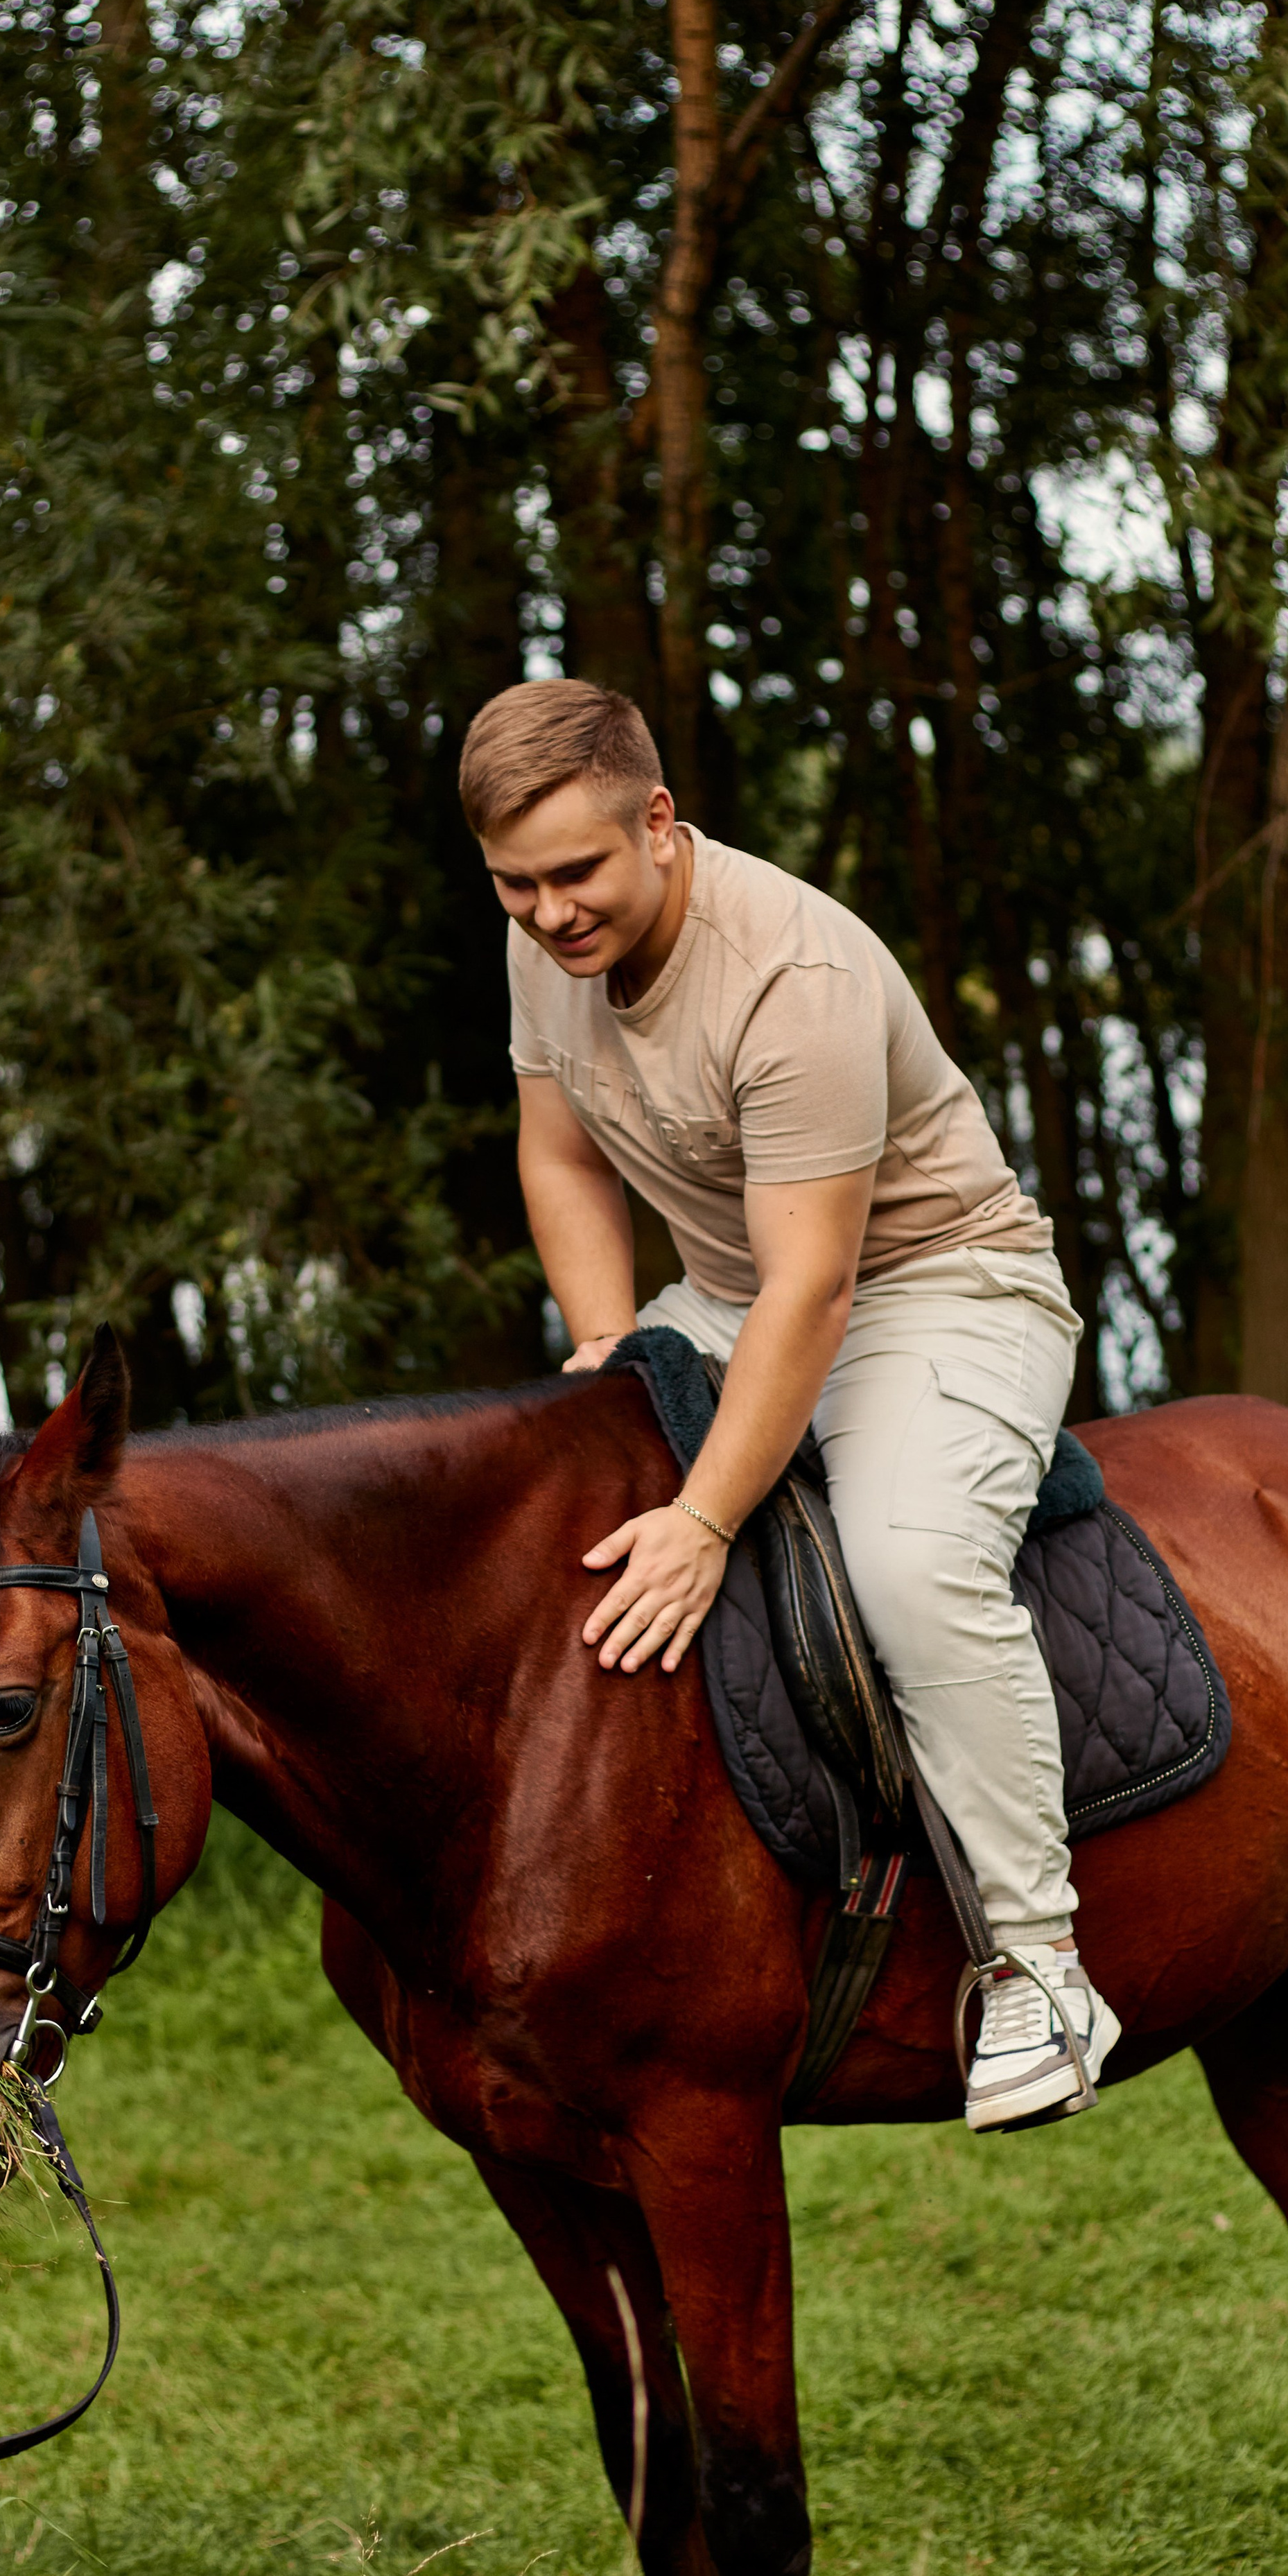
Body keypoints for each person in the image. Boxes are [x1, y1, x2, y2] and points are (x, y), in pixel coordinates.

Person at [461, 679, 1120, 2130]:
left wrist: (704, 1521)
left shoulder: (791, 978)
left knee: (910, 1565)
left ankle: (1040, 1965)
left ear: (657, 820)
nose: (550, 913)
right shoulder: (542, 946)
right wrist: (604, 1345)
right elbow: (560, 1158)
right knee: (549, 1474)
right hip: (726, 1290)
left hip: (938, 1287)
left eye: (575, 873)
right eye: (515, 886)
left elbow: (815, 1291)